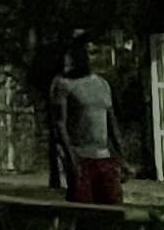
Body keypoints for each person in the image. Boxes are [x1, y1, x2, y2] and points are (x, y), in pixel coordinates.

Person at [48, 38, 120, 206]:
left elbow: (111, 122)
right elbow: (60, 123)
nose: (90, 58)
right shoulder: (64, 84)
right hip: (81, 156)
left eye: (94, 53)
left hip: (104, 157)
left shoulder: (103, 84)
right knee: (83, 208)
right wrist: (70, 158)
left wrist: (120, 157)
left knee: (112, 209)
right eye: (87, 53)